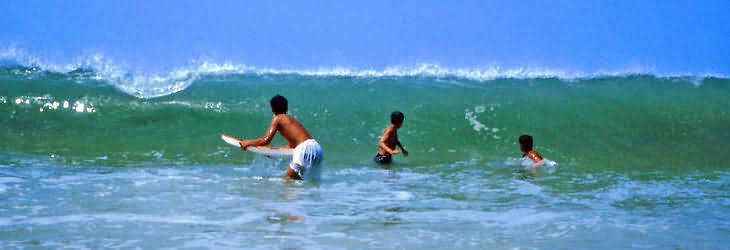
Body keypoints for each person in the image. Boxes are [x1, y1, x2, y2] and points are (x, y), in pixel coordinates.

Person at [238, 95, 323, 180]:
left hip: (305, 148)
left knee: (288, 181)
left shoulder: (277, 118)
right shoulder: (291, 120)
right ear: (286, 108)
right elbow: (292, 147)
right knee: (302, 182)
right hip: (317, 149)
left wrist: (247, 143)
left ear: (272, 108)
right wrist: (270, 151)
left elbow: (266, 140)